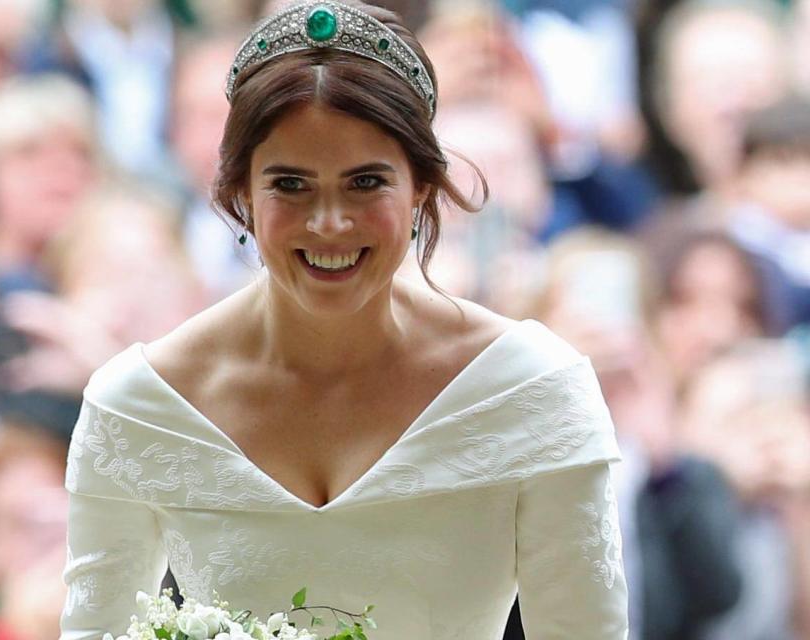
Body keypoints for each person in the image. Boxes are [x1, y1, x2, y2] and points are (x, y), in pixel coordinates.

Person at [59, 2, 628, 638]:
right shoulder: (138, 404)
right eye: (291, 185)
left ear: (420, 187)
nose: (329, 222)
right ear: (240, 193)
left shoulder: (535, 390)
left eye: (364, 183)